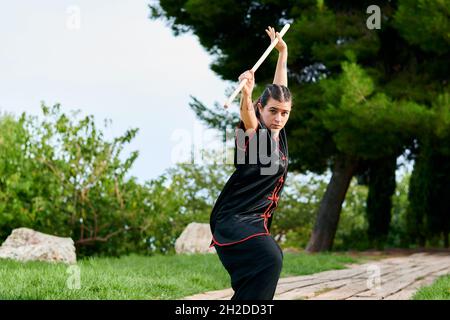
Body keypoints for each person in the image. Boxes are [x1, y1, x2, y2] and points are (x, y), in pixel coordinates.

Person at [209, 26, 292, 300]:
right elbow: (248, 117)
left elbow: (281, 90)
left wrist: (282, 53)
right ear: (260, 108)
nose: (279, 117)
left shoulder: (278, 136)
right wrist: (247, 93)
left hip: (255, 222)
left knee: (266, 265)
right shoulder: (255, 136)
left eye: (284, 113)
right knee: (270, 258)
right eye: (273, 112)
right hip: (233, 219)